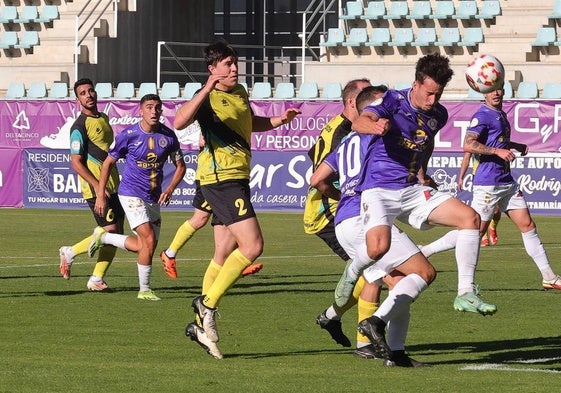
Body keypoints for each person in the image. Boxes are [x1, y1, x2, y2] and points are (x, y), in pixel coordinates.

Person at [173, 40, 301, 359]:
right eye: (227, 64)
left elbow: (249, 124)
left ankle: (200, 321)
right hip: (221, 179)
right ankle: (207, 305)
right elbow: (178, 121)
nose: (234, 69)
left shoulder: (240, 91)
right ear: (213, 69)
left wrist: (278, 121)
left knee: (222, 251)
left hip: (237, 177)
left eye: (235, 63)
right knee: (253, 246)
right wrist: (205, 89)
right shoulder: (208, 97)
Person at [346, 53, 497, 318]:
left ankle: (465, 292)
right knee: (377, 249)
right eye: (428, 93)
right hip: (379, 188)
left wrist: (422, 171)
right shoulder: (392, 100)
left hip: (410, 189)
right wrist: (374, 125)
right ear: (415, 85)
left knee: (470, 218)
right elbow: (359, 120)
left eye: (438, 94)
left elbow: (426, 141)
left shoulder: (439, 114)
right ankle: (351, 271)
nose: (432, 100)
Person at [313, 86, 437, 366]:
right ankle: (372, 325)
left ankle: (394, 353)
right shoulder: (379, 136)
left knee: (399, 284)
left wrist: (342, 196)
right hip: (367, 217)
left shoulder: (345, 142)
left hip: (344, 220)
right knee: (424, 272)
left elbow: (317, 180)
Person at [421, 85, 561, 291]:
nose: (495, 93)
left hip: (506, 181)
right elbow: (468, 144)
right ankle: (426, 251)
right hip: (488, 184)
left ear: (503, 91)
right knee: (474, 232)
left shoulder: (500, 114)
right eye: (491, 90)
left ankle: (549, 276)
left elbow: (498, 141)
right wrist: (498, 151)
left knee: (528, 226)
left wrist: (515, 146)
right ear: (483, 92)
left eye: (498, 89)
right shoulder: (482, 115)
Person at [88, 94, 186, 301]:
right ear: (140, 111)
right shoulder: (129, 134)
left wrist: (169, 189)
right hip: (130, 193)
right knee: (148, 239)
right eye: (149, 107)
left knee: (146, 247)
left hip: (153, 197)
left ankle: (105, 237)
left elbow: (181, 167)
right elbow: (107, 163)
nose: (154, 111)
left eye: (157, 107)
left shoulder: (168, 136)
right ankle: (144, 290)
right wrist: (100, 194)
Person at [58, 78, 125, 292]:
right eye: (83, 93)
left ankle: (97, 278)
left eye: (90, 91)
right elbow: (76, 163)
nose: (88, 95)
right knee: (110, 230)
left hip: (113, 184)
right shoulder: (78, 127)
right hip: (96, 189)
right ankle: (70, 251)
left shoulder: (103, 118)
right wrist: (98, 188)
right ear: (77, 99)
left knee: (116, 233)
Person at [303, 78, 372, 263]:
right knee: (371, 265)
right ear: (351, 101)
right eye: (365, 95)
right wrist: (344, 197)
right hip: (327, 211)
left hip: (338, 208)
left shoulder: (338, 126)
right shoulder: (342, 134)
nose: (371, 99)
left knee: (371, 262)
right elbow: (318, 179)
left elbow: (314, 155)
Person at [457, 152, 501, 247]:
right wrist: (461, 177)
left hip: (495, 174)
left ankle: (492, 227)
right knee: (481, 210)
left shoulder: (494, 140)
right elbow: (467, 157)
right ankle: (484, 237)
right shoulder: (475, 140)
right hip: (479, 176)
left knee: (496, 210)